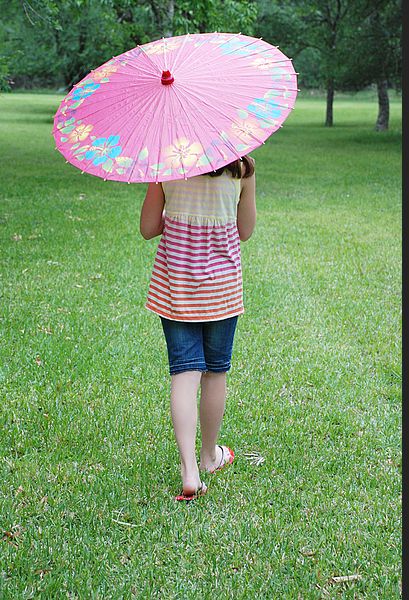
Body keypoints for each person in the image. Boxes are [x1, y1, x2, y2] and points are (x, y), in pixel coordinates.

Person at [140, 156, 256, 501]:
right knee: (216, 374)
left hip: (176, 287)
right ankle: (209, 457)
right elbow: (245, 230)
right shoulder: (244, 167)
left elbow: (148, 228)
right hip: (222, 291)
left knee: (184, 374)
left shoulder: (166, 164)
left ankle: (189, 470)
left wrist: (172, 215)